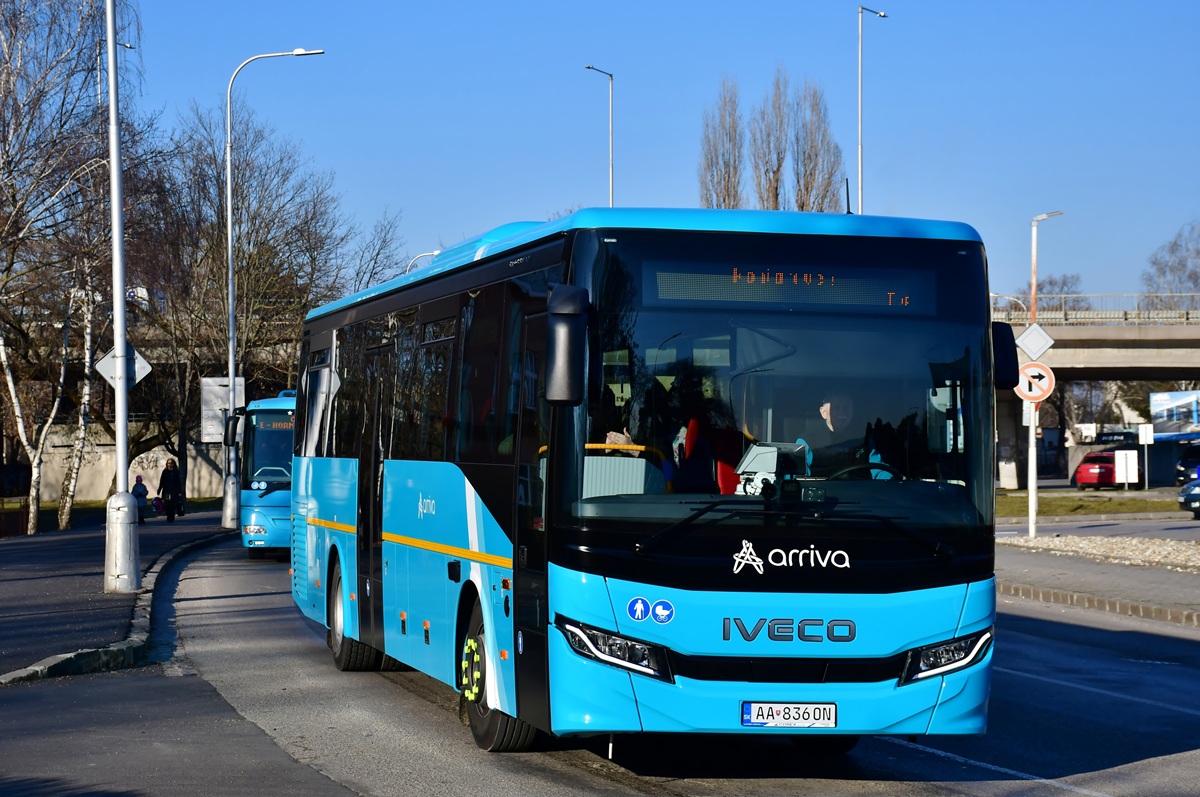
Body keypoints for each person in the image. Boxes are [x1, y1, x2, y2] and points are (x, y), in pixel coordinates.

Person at [158, 458, 183, 523]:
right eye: (169, 463)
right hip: (166, 490)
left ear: (173, 464)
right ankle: (168, 516)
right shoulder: (165, 471)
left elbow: (178, 482)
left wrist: (179, 491)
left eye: (171, 463)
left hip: (173, 490)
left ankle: (172, 517)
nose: (170, 464)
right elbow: (162, 481)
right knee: (167, 504)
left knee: (172, 504)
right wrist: (159, 489)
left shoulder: (176, 472)